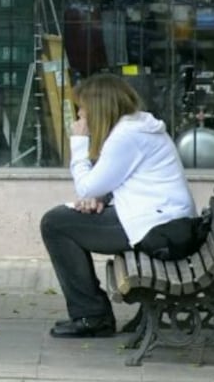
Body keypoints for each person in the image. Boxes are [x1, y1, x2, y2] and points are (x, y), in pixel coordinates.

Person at [39, 73, 197, 338]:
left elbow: (87, 186)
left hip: (157, 230)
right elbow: (112, 182)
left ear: (99, 108)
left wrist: (78, 143)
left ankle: (91, 316)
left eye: (83, 109)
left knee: (55, 224)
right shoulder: (135, 127)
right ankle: (91, 313)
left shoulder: (127, 135)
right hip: (164, 222)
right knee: (63, 219)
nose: (79, 115)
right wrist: (99, 199)